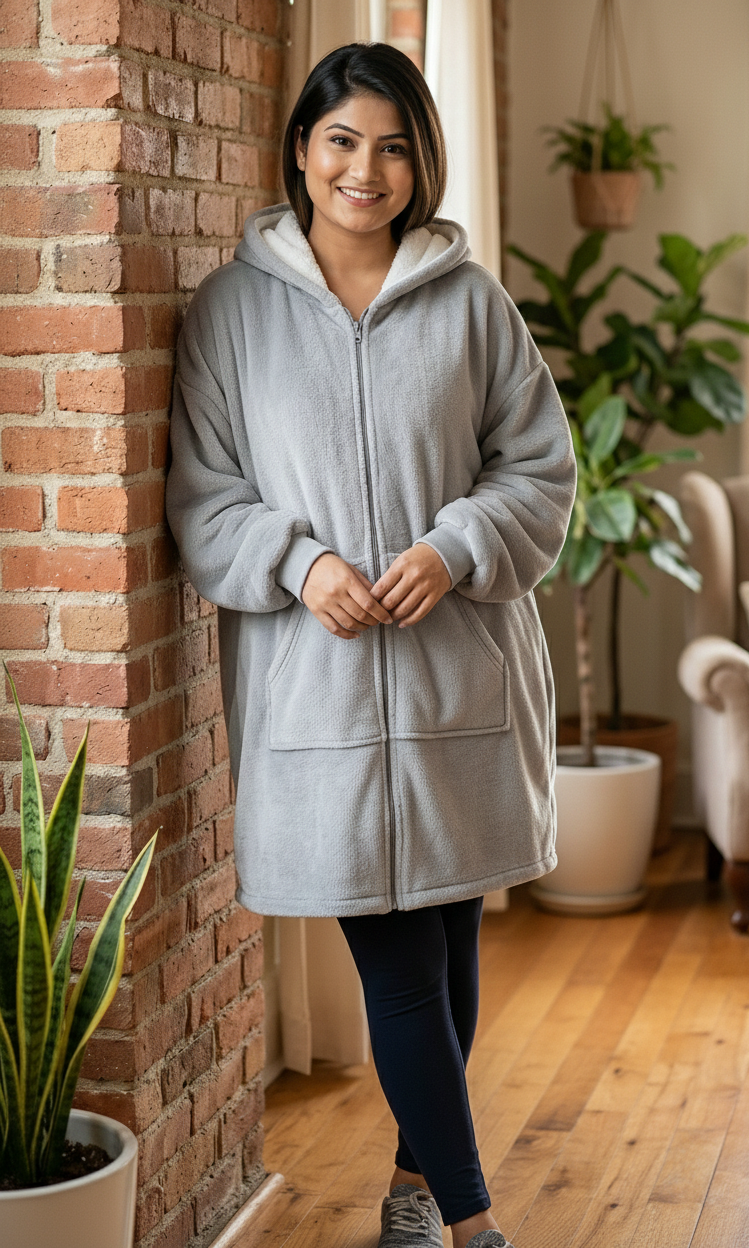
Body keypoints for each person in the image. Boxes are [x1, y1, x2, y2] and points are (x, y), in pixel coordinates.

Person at [166, 42, 576, 1248]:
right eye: (342, 139)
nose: (366, 168)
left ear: (419, 162)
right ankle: (469, 1223)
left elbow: (538, 469)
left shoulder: (470, 301)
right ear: (299, 148)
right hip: (318, 697)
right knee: (395, 966)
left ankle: (408, 1190)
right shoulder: (231, 314)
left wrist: (451, 547)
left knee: (446, 951)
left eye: (392, 145)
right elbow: (205, 497)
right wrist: (304, 564)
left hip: (461, 674)